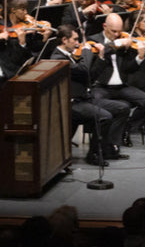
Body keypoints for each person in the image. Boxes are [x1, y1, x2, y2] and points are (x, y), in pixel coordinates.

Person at [50, 23, 128, 165]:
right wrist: (86, 51)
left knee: (122, 108)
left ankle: (109, 148)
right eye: (75, 39)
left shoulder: (70, 56)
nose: (78, 43)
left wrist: (101, 57)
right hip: (72, 102)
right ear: (64, 40)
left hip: (84, 98)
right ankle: (94, 154)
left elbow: (90, 76)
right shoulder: (58, 58)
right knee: (104, 117)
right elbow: (84, 69)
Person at [87, 13, 145, 148]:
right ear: (104, 26)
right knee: (96, 103)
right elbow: (99, 55)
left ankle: (127, 127)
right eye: (113, 31)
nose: (117, 34)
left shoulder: (124, 40)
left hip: (121, 86)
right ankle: (103, 143)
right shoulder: (94, 40)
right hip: (101, 86)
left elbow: (128, 68)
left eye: (119, 31)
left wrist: (139, 57)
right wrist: (116, 44)